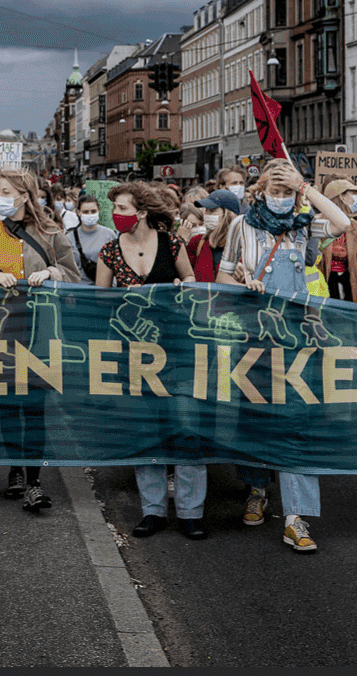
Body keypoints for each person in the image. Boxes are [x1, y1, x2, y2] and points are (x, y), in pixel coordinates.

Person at [216, 158, 353, 553]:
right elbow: (223, 278)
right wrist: (243, 281)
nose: (282, 199)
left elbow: (343, 224)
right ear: (260, 192)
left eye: (287, 193)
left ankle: (297, 517)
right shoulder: (243, 226)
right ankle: (257, 488)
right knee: (256, 415)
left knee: (295, 420)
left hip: (296, 336)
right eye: (275, 191)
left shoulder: (303, 223)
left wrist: (305, 188)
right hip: (255, 335)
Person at [0, 168, 82, 513]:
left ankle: (33, 479)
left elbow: (73, 277)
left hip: (41, 330)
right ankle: (14, 469)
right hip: (2, 327)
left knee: (34, 407)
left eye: (5, 191)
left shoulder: (50, 234)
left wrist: (50, 273)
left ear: (23, 195)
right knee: (7, 404)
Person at [97, 182, 204, 539]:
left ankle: (191, 512)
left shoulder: (171, 243)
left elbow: (189, 279)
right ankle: (153, 510)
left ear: (141, 213)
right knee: (147, 429)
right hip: (134, 353)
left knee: (187, 427)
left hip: (176, 348)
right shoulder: (109, 252)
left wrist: (180, 288)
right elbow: (99, 303)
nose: (117, 215)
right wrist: (119, 300)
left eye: (123, 209)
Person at [317, 179, 357, 301]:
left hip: (349, 287)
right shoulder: (317, 224)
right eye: (353, 194)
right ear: (342, 197)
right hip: (322, 287)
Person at [68, 194, 115, 278]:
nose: (90, 214)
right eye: (85, 212)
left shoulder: (109, 234)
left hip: (104, 288)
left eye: (93, 211)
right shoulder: (69, 237)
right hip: (78, 287)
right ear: (78, 212)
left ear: (99, 211)